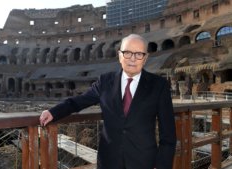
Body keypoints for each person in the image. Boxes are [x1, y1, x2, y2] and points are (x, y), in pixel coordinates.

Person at [39, 34, 176, 169]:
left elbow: (168, 134)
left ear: (145, 58)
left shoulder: (159, 85)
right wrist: (53, 112)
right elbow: (79, 101)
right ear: (120, 55)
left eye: (138, 54)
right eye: (127, 53)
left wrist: (162, 165)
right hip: (109, 161)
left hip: (144, 161)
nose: (132, 59)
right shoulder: (105, 81)